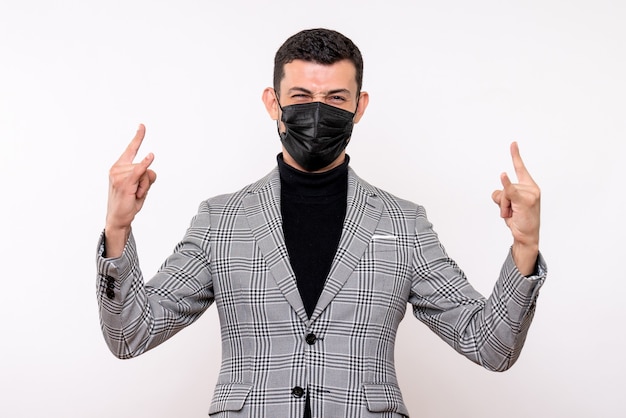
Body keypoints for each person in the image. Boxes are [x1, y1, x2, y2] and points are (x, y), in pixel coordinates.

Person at [97, 28, 546, 418]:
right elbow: (131, 333)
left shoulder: (404, 223)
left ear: (359, 105)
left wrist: (524, 245)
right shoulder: (221, 219)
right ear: (273, 102)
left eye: (335, 98)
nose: (318, 112)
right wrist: (118, 229)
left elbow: (491, 345)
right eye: (301, 97)